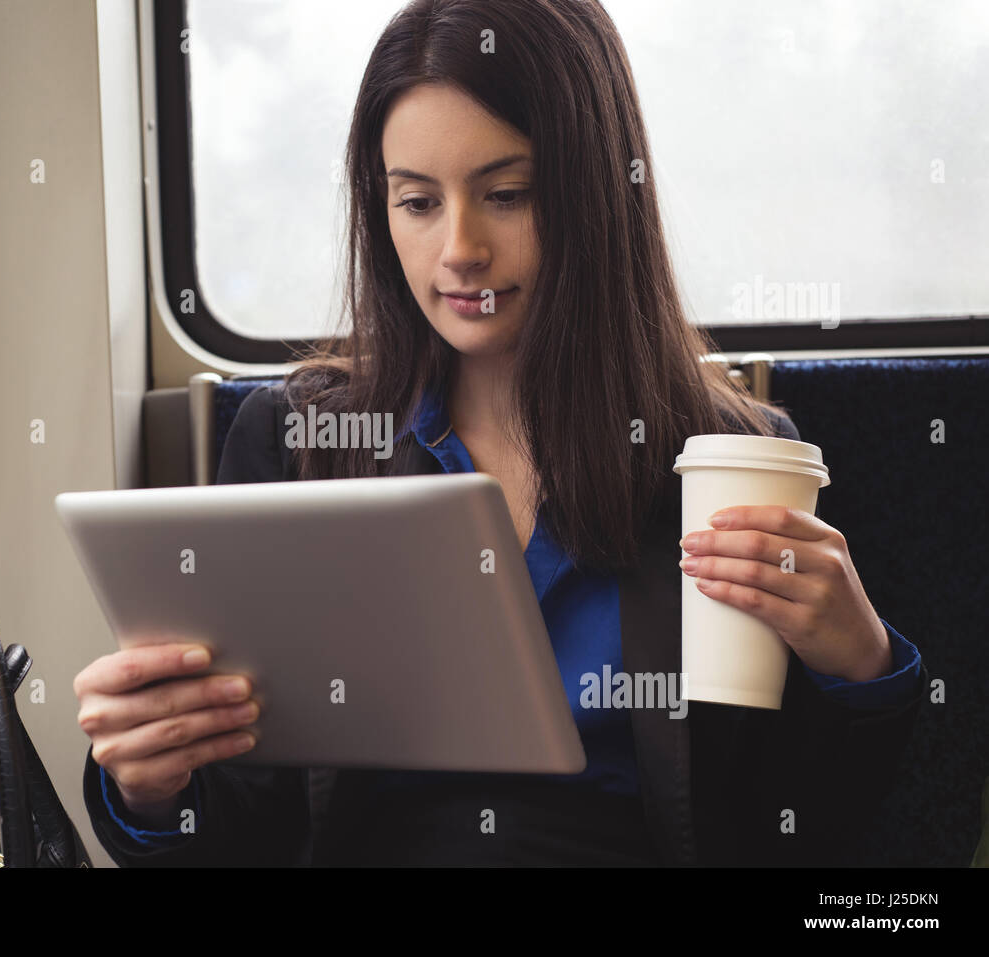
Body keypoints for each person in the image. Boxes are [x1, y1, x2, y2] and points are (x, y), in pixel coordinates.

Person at [73, 0, 924, 866]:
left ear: (597, 194)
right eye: (416, 201)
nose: (459, 249)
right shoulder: (296, 443)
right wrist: (152, 787)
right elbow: (244, 833)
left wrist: (862, 665)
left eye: (506, 195)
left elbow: (801, 836)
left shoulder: (727, 460)